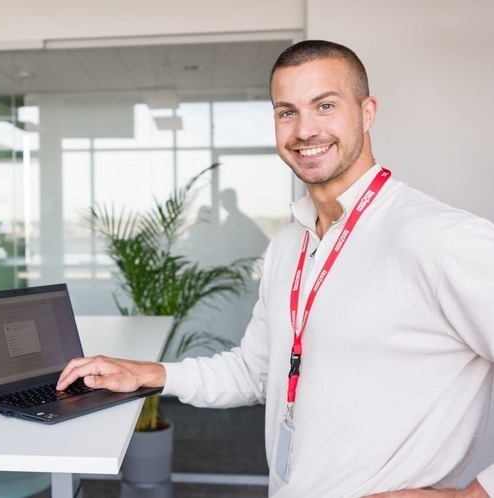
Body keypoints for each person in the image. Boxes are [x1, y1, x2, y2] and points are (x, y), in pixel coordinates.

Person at [57, 40, 494, 497]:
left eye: (325, 105)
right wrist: (152, 374)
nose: (305, 130)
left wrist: (472, 496)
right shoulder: (290, 245)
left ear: (367, 113)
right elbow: (255, 372)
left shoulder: (442, 239)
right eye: (287, 111)